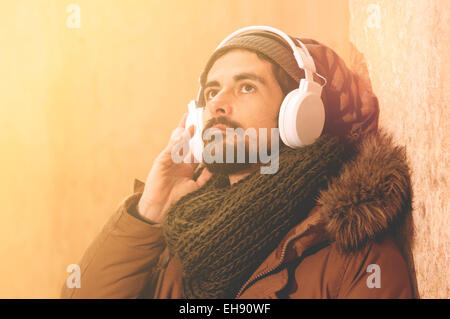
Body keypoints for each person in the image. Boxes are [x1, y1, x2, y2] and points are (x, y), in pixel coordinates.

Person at [61, 26, 413, 299]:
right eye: (212, 92)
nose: (218, 105)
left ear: (300, 114)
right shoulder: (175, 239)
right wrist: (150, 210)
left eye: (246, 87)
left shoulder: (357, 260)